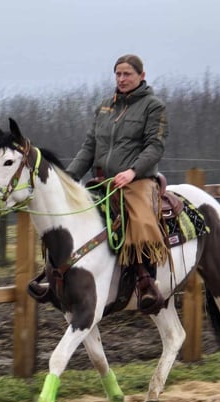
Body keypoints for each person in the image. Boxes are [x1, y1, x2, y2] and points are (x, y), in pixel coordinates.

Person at [66, 54, 169, 314]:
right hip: (102, 179)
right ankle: (59, 274)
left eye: (127, 74)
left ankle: (146, 281)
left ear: (141, 76)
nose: (122, 79)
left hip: (136, 180)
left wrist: (132, 172)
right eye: (118, 74)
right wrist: (68, 178)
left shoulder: (153, 106)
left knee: (139, 220)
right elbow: (89, 147)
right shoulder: (104, 107)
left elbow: (155, 146)